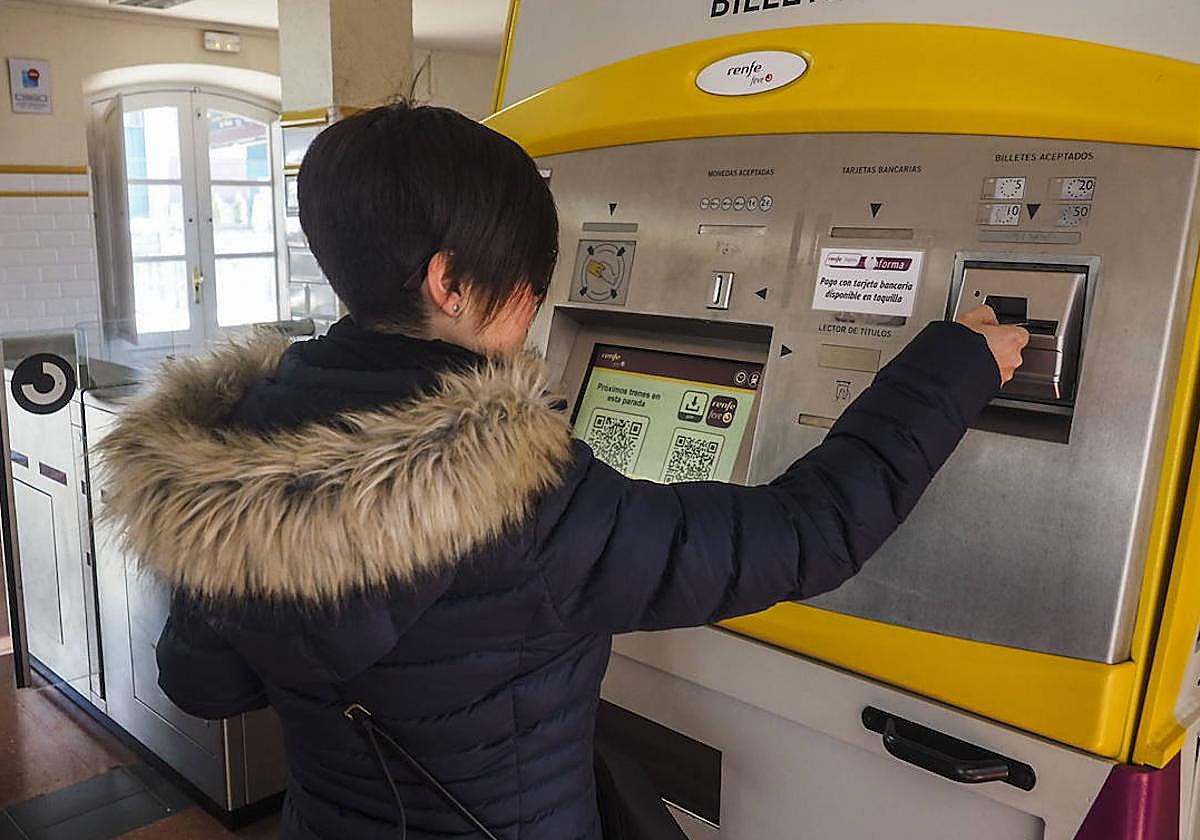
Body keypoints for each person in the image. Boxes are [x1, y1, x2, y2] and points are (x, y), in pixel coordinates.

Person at [97, 103, 1028, 840]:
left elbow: (204, 682)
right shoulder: (522, 498)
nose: (538, 311)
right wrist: (955, 365)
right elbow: (809, 533)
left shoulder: (230, 455)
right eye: (528, 285)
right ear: (449, 281)